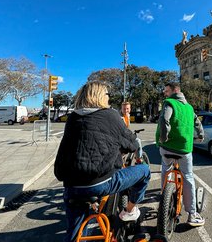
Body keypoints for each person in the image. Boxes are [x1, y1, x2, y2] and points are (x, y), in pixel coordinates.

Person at [54, 81, 151, 242]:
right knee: (145, 171)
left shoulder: (73, 118)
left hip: (71, 185)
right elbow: (130, 143)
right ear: (100, 96)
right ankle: (129, 210)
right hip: (99, 182)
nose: (109, 98)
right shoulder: (110, 114)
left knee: (74, 233)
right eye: (107, 94)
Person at [156, 82, 205, 227]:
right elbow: (197, 124)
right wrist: (200, 136)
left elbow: (164, 119)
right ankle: (192, 214)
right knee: (188, 177)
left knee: (165, 168)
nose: (165, 93)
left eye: (167, 91)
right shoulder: (189, 108)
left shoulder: (169, 103)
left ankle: (164, 194)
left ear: (174, 91)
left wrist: (163, 138)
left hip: (167, 147)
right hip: (184, 149)